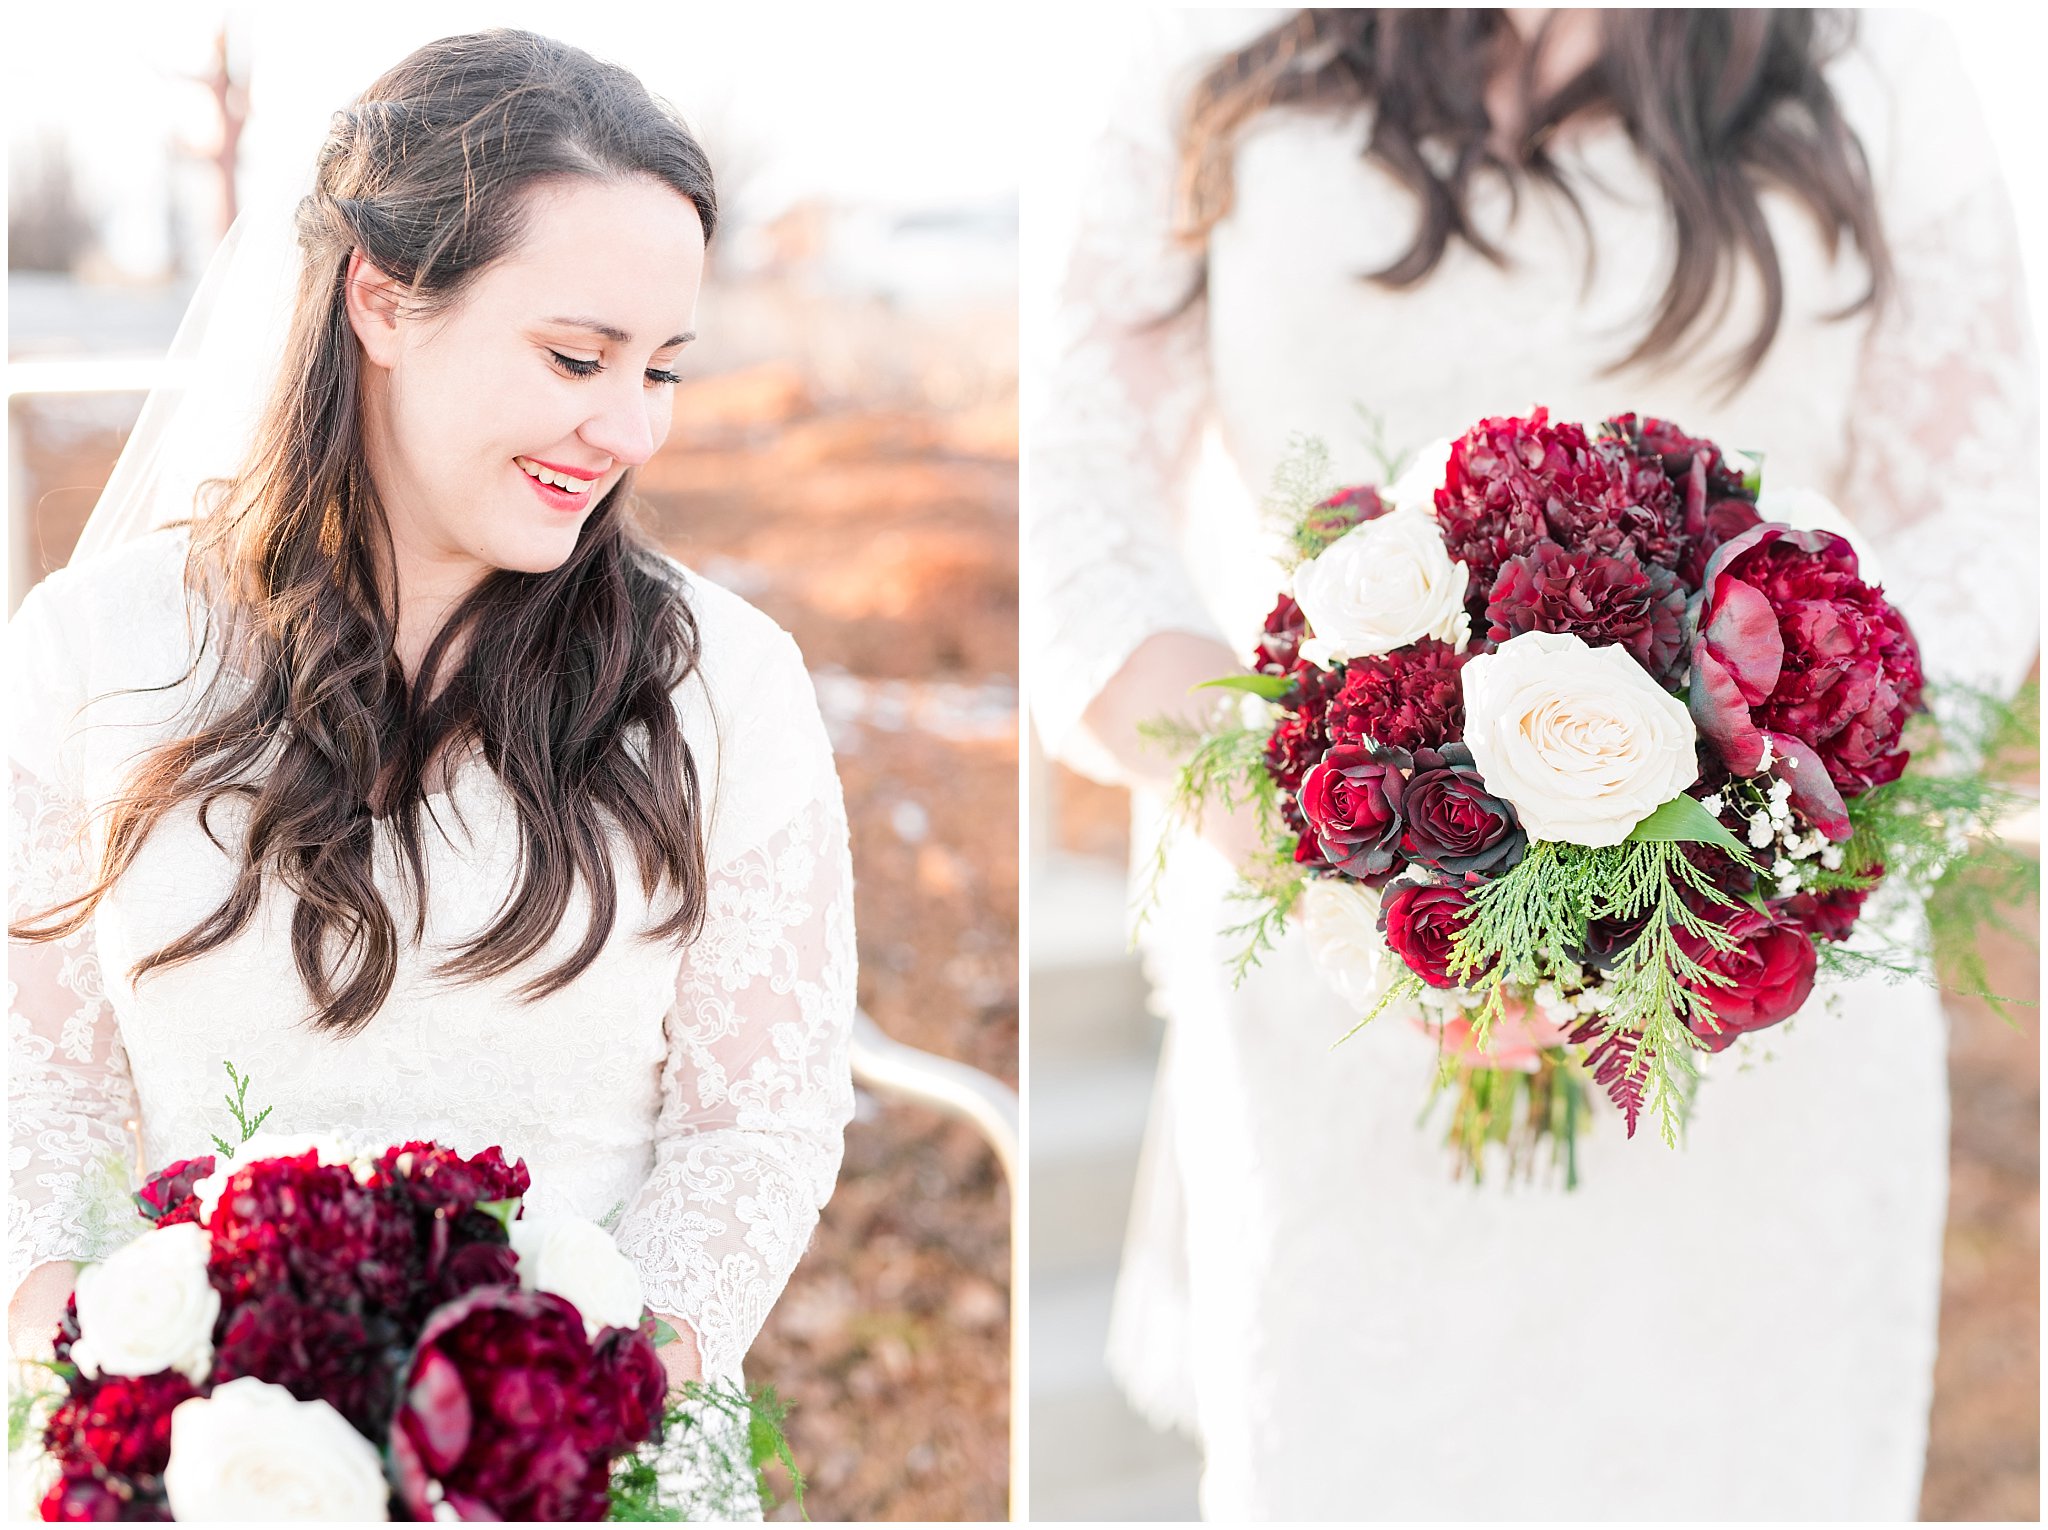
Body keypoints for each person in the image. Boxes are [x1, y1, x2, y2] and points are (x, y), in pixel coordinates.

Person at [1028, 8, 2036, 1518]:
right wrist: (1298, 826)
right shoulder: (1215, 49)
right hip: (1352, 962)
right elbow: (1072, 489)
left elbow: (1987, 515)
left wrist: (1775, 815)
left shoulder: (1868, 61)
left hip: (1758, 1021)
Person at [7, 30, 855, 1508]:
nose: (629, 426)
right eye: (578, 357)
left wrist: (568, 1424)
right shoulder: (96, 650)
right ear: (384, 299)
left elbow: (752, 1125)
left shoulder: (729, 686)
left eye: (661, 367)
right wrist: (120, 1392)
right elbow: (39, 1090)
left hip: (572, 1468)